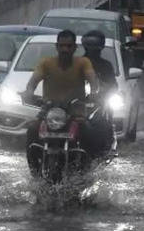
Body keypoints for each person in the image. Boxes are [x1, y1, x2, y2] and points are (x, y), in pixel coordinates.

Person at [22, 30, 100, 168]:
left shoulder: (83, 63)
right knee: (32, 130)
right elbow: (32, 83)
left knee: (89, 132)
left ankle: (89, 167)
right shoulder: (46, 63)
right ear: (56, 47)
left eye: (69, 46)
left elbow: (93, 81)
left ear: (75, 48)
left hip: (75, 112)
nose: (65, 50)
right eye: (62, 46)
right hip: (49, 111)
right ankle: (34, 168)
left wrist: (95, 93)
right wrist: (28, 93)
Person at [81, 30, 117, 156]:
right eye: (89, 47)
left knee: (103, 123)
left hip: (99, 104)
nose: (92, 51)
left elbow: (113, 86)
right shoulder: (77, 63)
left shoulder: (106, 66)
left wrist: (103, 90)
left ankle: (103, 149)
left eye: (95, 48)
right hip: (78, 103)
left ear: (101, 48)